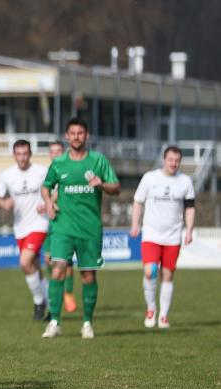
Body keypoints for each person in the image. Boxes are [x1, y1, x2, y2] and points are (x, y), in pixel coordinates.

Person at [40, 118, 120, 339]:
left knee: (88, 275)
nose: (76, 137)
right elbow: (46, 187)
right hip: (63, 226)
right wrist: (48, 203)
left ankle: (87, 323)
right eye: (72, 133)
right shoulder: (59, 163)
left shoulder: (98, 161)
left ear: (86, 135)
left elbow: (116, 187)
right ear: (67, 136)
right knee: (58, 269)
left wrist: (102, 184)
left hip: (89, 229)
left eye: (80, 133)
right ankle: (54, 322)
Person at [130, 145, 195, 329]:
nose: (174, 163)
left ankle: (163, 316)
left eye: (177, 160)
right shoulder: (149, 178)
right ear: (164, 160)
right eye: (170, 160)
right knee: (150, 271)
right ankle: (151, 308)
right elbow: (138, 201)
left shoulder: (185, 181)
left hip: (173, 236)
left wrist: (189, 230)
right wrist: (135, 224)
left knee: (168, 275)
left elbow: (190, 207)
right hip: (151, 234)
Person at [0, 139, 50, 321]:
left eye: (25, 154)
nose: (22, 158)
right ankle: (52, 303)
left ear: (30, 154)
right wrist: (4, 203)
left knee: (24, 262)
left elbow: (55, 191)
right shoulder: (7, 175)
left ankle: (39, 301)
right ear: (14, 155)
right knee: (35, 266)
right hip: (20, 227)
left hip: (39, 224)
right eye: (19, 154)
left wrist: (48, 203)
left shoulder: (42, 171)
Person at [43, 140, 78, 314]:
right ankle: (59, 291)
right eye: (53, 151)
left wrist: (51, 202)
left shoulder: (68, 170)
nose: (55, 154)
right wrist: (45, 204)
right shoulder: (46, 173)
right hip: (48, 224)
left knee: (67, 263)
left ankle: (68, 293)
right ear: (49, 154)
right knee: (49, 260)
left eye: (59, 151)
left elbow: (63, 191)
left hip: (65, 222)